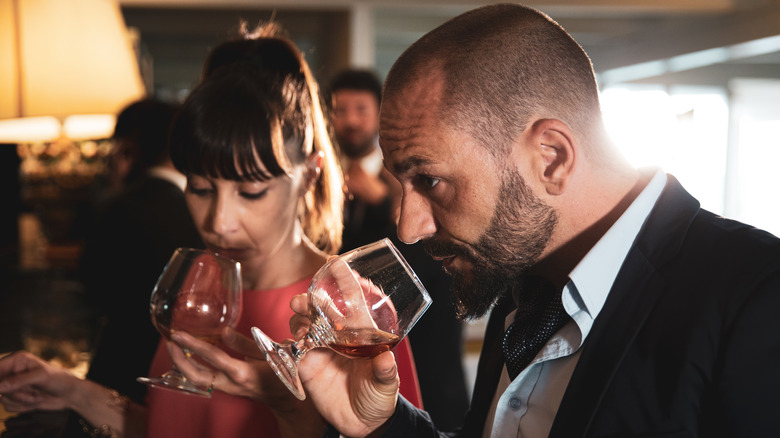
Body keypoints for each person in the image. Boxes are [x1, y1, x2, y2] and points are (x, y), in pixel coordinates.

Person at [290, 4, 780, 438]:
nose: (408, 228)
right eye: (402, 182)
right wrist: (386, 425)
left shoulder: (757, 298)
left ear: (551, 158)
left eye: (430, 181)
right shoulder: (523, 278)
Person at [0, 23, 423, 438]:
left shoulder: (354, 315)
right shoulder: (198, 293)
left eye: (251, 192)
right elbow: (173, 425)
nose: (218, 222)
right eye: (200, 188)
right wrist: (70, 390)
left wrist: (289, 411)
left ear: (310, 175)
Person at [328, 68, 469, 431]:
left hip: (423, 353)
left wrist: (382, 202)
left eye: (360, 109)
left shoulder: (403, 181)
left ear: (379, 114)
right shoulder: (324, 185)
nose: (350, 120)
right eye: (339, 110)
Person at [79, 97, 204, 406]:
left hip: (117, 369)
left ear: (130, 146)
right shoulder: (201, 211)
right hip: (187, 373)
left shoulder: (116, 205)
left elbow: (92, 288)